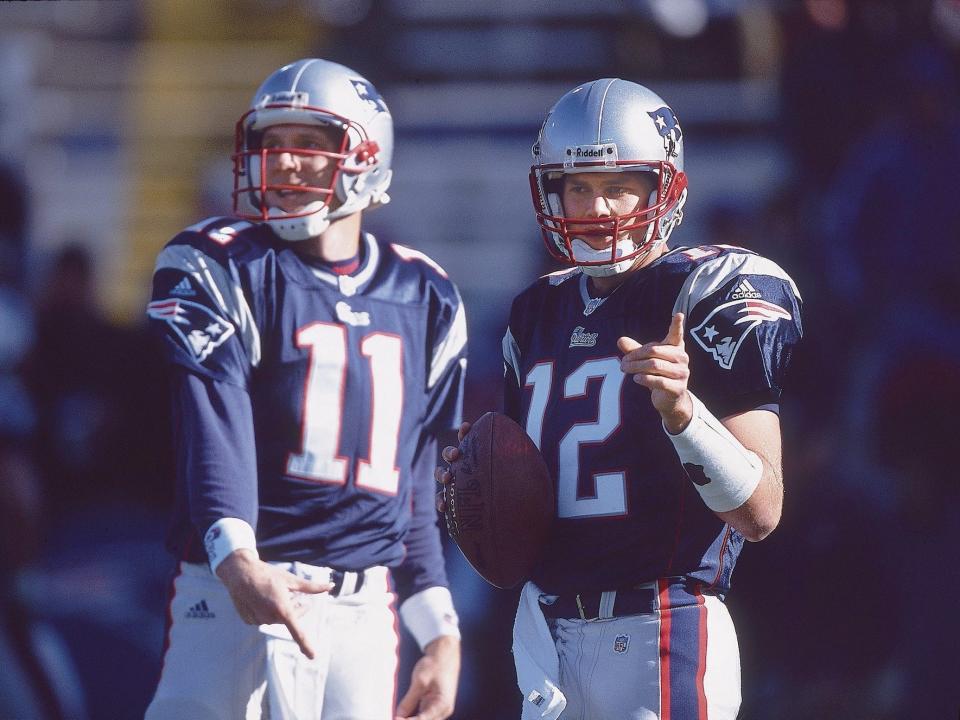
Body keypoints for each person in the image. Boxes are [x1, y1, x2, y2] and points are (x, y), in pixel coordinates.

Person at [439, 79, 803, 719]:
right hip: (547, 631)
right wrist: (475, 485)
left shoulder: (709, 289)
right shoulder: (535, 311)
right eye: (577, 187)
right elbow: (527, 492)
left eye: (618, 186)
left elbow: (760, 511)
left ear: (664, 188)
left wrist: (684, 416)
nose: (597, 207)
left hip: (661, 625)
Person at [144, 58, 466, 720]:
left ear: (364, 156)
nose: (284, 163)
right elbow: (215, 422)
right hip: (230, 589)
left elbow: (414, 485)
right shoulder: (221, 263)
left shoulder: (425, 293)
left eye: (309, 145)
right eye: (272, 144)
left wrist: (439, 628)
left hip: (361, 613)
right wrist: (236, 558)